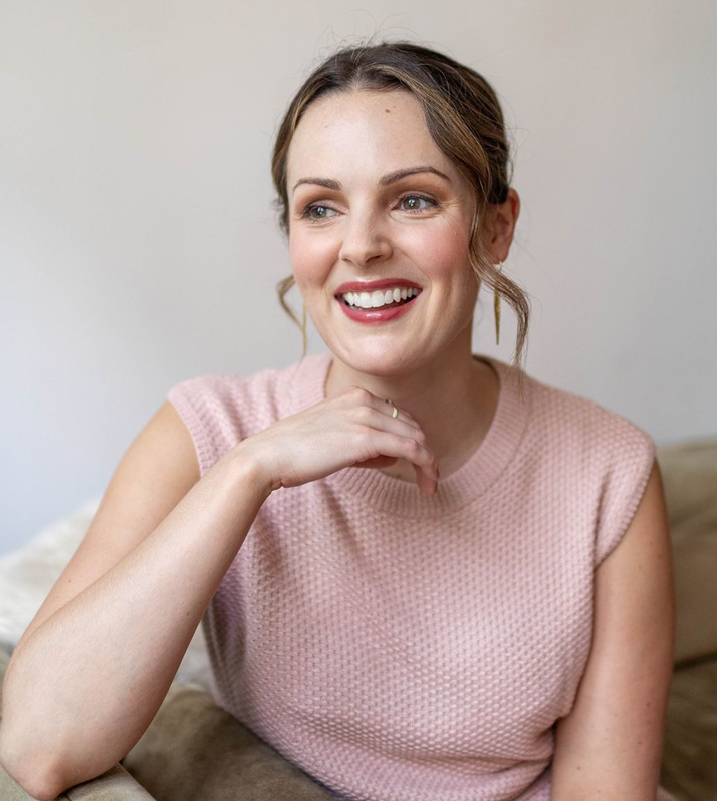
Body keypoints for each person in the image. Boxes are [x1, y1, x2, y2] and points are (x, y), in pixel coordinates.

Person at [0, 40, 677, 801]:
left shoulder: (608, 471)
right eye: (320, 208)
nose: (360, 245)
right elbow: (39, 744)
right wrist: (250, 471)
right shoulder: (212, 429)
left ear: (495, 227)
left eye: (413, 198)